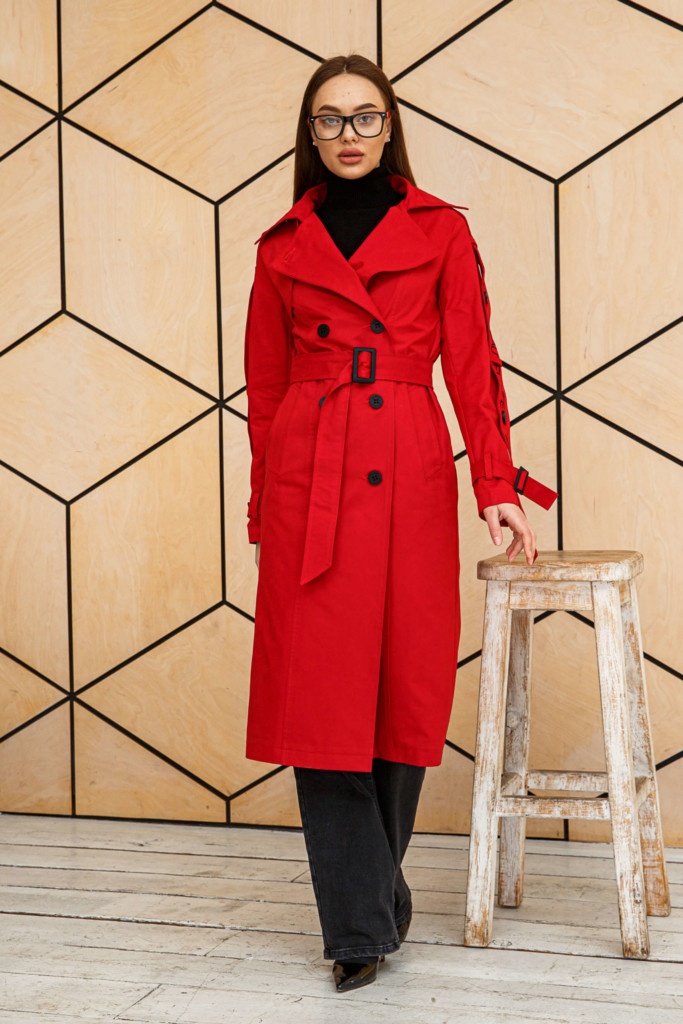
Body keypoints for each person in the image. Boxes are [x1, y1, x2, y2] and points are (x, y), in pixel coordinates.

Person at [243, 54, 557, 993]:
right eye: (330, 118)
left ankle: (372, 895)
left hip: (407, 466)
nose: (348, 134)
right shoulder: (279, 246)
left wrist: (494, 482)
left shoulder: (440, 230)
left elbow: (473, 361)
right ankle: (356, 928)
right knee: (318, 700)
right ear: (309, 133)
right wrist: (267, 501)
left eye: (365, 117)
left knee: (401, 687)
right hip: (309, 475)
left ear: (390, 128)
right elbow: (264, 391)